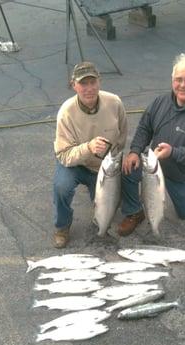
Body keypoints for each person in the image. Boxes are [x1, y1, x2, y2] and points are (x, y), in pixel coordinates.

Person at [118, 53, 185, 236]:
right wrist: (134, 151)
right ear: (172, 80)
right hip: (153, 164)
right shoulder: (160, 102)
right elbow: (144, 127)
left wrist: (173, 153)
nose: (183, 85)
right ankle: (134, 212)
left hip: (183, 174)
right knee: (127, 168)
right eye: (178, 79)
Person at [53, 61, 128, 248]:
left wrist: (112, 162)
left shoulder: (114, 102)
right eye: (83, 83)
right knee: (62, 187)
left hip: (105, 167)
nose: (89, 88)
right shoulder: (66, 112)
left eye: (92, 82)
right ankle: (62, 225)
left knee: (110, 204)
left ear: (99, 82)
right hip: (76, 165)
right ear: (74, 85)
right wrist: (88, 148)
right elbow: (63, 155)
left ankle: (101, 226)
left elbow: (122, 137)